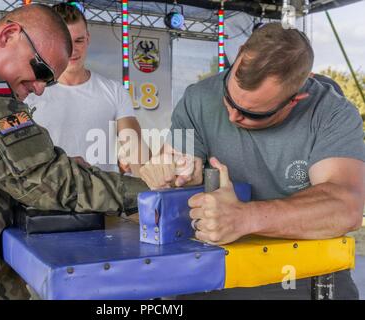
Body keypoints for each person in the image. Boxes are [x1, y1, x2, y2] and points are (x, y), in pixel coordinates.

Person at [0, 4, 147, 300]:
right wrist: (146, 192)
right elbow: (40, 177)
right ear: (9, 34)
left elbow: (19, 166)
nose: (39, 88)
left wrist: (60, 166)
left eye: (48, 81)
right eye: (40, 70)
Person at [140, 23, 365, 299]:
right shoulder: (198, 98)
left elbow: (345, 207)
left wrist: (245, 217)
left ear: (296, 99)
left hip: (306, 277)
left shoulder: (331, 113)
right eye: (229, 100)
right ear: (239, 56)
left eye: (251, 113)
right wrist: (168, 174)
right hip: (213, 276)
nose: (233, 117)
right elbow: (174, 167)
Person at [25, 2, 148, 175]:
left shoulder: (114, 90)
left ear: (88, 39)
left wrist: (154, 181)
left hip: (100, 198)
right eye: (66, 42)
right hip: (44, 199)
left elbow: (135, 148)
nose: (73, 50)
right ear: (51, 42)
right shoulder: (30, 92)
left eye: (79, 40)